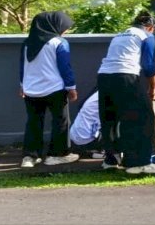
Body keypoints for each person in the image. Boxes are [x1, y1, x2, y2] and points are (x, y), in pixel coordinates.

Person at [96, 11, 155, 175]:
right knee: (142, 118)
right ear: (150, 27)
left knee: (110, 118)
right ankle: (138, 163)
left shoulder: (119, 36)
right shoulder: (146, 36)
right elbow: (148, 65)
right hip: (125, 77)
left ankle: (111, 160)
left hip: (104, 77)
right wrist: (153, 86)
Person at [19, 11, 80, 168]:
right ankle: (57, 155)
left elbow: (22, 67)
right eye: (64, 27)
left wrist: (22, 85)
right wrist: (71, 87)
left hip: (31, 90)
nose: (65, 30)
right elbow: (65, 68)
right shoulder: (59, 42)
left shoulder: (27, 43)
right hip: (55, 89)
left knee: (33, 122)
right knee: (61, 121)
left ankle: (30, 157)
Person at [70, 88, 103, 159]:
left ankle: (88, 152)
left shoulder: (96, 92)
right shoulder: (113, 93)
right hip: (88, 141)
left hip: (73, 140)